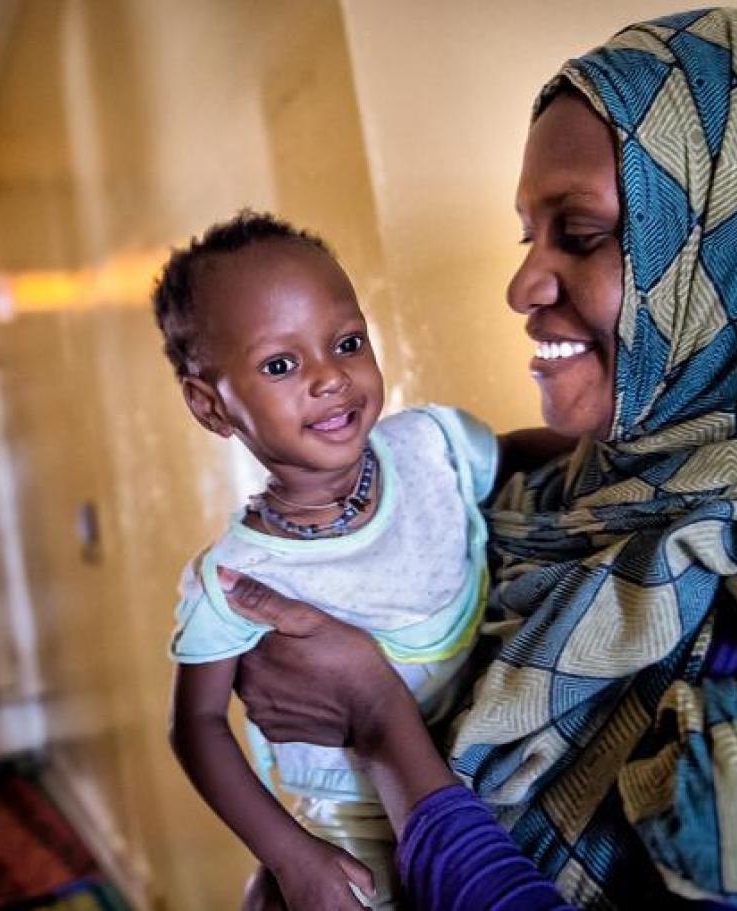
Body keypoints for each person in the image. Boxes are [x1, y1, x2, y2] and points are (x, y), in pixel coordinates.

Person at [221, 9, 737, 910]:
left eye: (580, 234)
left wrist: (382, 727)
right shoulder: (551, 507)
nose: (522, 286)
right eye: (528, 236)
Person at [156, 212, 568, 910]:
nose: (330, 377)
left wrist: (617, 450)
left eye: (347, 343)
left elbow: (518, 457)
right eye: (280, 365)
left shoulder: (432, 446)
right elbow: (195, 725)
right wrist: (291, 856)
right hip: (354, 830)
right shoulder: (237, 577)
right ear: (210, 406)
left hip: (500, 772)